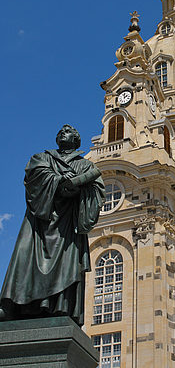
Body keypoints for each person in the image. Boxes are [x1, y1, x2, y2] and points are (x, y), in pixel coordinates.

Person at [0, 124, 105, 326]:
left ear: (76, 140)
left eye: (68, 132)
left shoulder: (86, 166)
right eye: (61, 132)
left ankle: (58, 305)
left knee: (66, 264)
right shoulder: (43, 157)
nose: (63, 133)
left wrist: (79, 188)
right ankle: (14, 304)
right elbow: (34, 176)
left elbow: (96, 191)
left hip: (67, 223)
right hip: (41, 219)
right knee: (23, 255)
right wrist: (58, 180)